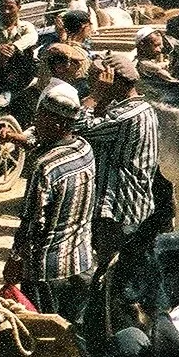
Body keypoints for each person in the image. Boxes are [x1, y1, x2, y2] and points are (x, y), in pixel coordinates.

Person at [4, 87, 98, 326]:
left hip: (48, 271)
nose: (35, 124)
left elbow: (32, 224)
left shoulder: (44, 168)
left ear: (57, 124)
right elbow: (41, 142)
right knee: (75, 330)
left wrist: (15, 259)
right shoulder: (84, 148)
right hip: (82, 261)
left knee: (47, 336)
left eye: (40, 119)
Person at [75, 54, 160, 265]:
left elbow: (77, 126)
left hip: (119, 209)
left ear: (116, 81)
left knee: (110, 267)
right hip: (136, 206)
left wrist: (96, 95)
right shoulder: (144, 108)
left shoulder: (125, 116)